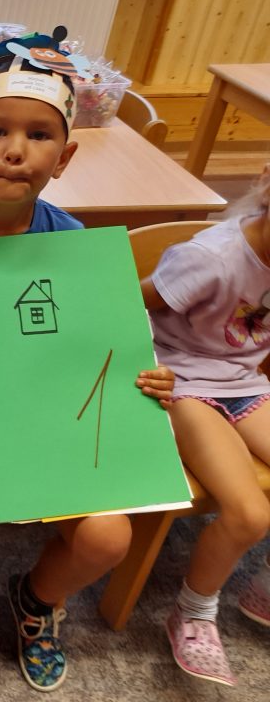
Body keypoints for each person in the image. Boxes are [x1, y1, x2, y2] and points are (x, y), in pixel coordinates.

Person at [0, 28, 175, 693]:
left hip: (51, 413)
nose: (16, 150)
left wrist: (146, 373)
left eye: (39, 135)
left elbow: (105, 338)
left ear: (66, 156)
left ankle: (36, 600)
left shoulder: (73, 243)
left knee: (109, 537)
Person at [142, 166, 270, 687]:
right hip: (185, 383)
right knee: (249, 514)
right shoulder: (212, 257)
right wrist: (144, 369)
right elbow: (127, 302)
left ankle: (263, 587)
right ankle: (193, 614)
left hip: (248, 383)